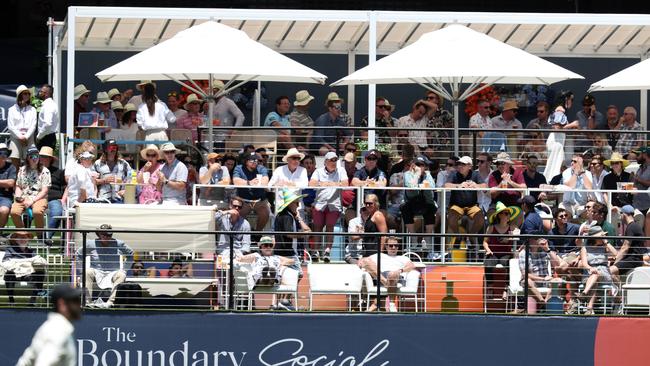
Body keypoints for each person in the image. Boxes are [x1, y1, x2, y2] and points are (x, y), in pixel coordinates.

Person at [16, 284, 82, 366]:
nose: (79, 304)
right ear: (62, 304)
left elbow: (26, 361)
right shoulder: (59, 331)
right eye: (75, 301)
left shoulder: (48, 327)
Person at [77, 224, 134, 308]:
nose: (106, 236)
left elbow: (130, 253)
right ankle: (87, 302)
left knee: (122, 275)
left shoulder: (119, 243)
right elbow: (79, 254)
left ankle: (110, 302)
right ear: (99, 234)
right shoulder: (90, 244)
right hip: (96, 271)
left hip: (113, 272)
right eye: (103, 234)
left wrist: (124, 269)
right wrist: (81, 270)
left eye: (109, 234)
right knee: (87, 272)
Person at [358, 236, 415, 312]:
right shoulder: (379, 255)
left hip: (396, 277)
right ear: (386, 246)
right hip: (380, 276)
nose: (393, 248)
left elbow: (411, 266)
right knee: (367, 261)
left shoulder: (403, 258)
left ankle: (390, 304)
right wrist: (365, 265)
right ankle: (385, 282)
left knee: (392, 274)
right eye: (391, 245)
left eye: (396, 246)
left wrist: (400, 271)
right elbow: (362, 261)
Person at [309, 151, 348, 262]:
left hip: (334, 204)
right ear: (325, 162)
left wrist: (325, 184)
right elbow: (311, 184)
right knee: (317, 227)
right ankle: (316, 251)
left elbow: (345, 184)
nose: (334, 162)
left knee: (330, 227)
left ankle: (327, 251)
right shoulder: (318, 171)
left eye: (335, 160)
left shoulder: (341, 170)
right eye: (331, 160)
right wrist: (334, 184)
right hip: (319, 203)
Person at [445, 155, 486, 249]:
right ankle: (458, 236)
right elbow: (446, 185)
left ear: (470, 166)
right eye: (459, 164)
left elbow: (484, 185)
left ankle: (470, 235)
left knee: (480, 219)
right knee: (451, 217)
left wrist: (476, 185)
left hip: (472, 206)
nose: (460, 166)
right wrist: (459, 185)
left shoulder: (475, 174)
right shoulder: (454, 173)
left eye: (463, 164)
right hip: (457, 205)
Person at [483, 202, 521, 296]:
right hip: (493, 253)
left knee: (509, 264)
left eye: (509, 213)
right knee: (488, 263)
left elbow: (518, 236)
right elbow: (485, 242)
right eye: (506, 213)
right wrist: (488, 250)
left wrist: (508, 238)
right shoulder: (491, 228)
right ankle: (490, 287)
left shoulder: (512, 227)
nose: (509, 216)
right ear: (500, 215)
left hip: (506, 253)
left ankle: (506, 289)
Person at [10, 145, 50, 230]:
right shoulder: (22, 170)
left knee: (37, 212)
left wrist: (32, 201)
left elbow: (45, 190)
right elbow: (18, 186)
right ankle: (23, 235)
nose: (34, 158)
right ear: (28, 158)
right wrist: (18, 197)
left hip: (39, 198)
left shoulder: (45, 171)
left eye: (36, 156)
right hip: (23, 197)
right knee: (14, 212)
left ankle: (40, 237)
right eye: (32, 156)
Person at [579, 225, 617, 315]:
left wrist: (606, 242)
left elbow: (616, 254)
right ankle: (589, 308)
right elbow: (584, 263)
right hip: (590, 272)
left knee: (596, 275)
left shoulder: (605, 246)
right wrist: (590, 268)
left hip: (604, 272)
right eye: (601, 236)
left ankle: (584, 293)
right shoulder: (585, 248)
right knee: (595, 277)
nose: (603, 238)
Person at [2, 232, 46, 305]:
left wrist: (18, 261)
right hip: (15, 274)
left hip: (27, 274)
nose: (23, 239)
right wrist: (28, 261)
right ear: (16, 240)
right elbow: (6, 262)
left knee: (40, 273)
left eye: (25, 237)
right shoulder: (10, 249)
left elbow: (37, 260)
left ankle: (32, 301)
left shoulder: (32, 251)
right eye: (20, 238)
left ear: (28, 239)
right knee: (9, 274)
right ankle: (11, 300)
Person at [518, 234, 562, 305]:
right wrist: (543, 279)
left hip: (546, 280)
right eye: (533, 239)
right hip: (532, 281)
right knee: (528, 281)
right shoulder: (523, 253)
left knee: (559, 281)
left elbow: (557, 264)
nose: (534, 241)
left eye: (537, 239)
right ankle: (541, 300)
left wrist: (547, 249)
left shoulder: (544, 251)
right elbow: (525, 274)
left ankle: (545, 302)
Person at [233, 152, 271, 232]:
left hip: (260, 200)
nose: (255, 162)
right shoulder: (239, 168)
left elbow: (265, 181)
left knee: (265, 214)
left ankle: (257, 233)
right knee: (236, 215)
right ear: (246, 161)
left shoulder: (261, 168)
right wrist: (249, 183)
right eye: (252, 160)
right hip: (243, 201)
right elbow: (236, 181)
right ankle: (244, 234)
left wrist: (260, 182)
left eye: (256, 160)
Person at [274, 189, 311, 268]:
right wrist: (303, 235)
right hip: (286, 254)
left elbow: (308, 230)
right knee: (298, 274)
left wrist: (299, 218)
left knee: (297, 274)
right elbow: (289, 234)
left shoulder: (291, 215)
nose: (298, 205)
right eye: (297, 203)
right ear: (290, 204)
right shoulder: (286, 216)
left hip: (289, 253)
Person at [402, 155, 436, 236]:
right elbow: (410, 187)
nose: (420, 167)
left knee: (431, 207)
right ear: (413, 165)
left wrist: (419, 186)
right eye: (417, 164)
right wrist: (417, 174)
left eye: (422, 165)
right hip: (411, 202)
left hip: (426, 202)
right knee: (404, 208)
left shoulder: (428, 175)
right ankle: (413, 236)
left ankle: (428, 237)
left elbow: (432, 186)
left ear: (425, 166)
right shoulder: (407, 174)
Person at [610, 205, 646, 281]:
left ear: (624, 214)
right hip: (633, 259)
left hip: (633, 260)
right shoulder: (634, 226)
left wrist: (616, 263)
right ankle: (617, 290)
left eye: (620, 214)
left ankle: (617, 291)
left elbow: (625, 247)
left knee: (609, 271)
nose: (620, 216)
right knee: (611, 272)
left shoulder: (632, 227)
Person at [209, 81, 246, 151]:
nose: (213, 92)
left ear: (221, 91)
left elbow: (240, 116)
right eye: (213, 90)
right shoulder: (211, 103)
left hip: (224, 138)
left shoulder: (228, 102)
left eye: (216, 90)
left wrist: (235, 130)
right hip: (212, 138)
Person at [93, 139, 132, 203]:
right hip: (102, 199)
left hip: (119, 199)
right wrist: (104, 181)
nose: (113, 149)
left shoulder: (123, 163)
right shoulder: (98, 164)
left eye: (115, 147)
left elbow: (132, 177)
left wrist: (126, 190)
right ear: (105, 149)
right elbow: (91, 181)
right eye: (111, 147)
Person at [8, 85, 37, 166]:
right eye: (25, 93)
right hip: (15, 138)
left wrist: (26, 137)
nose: (27, 95)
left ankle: (28, 178)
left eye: (28, 94)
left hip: (29, 138)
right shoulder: (12, 109)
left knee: (31, 163)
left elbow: (33, 125)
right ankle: (15, 178)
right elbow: (11, 126)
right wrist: (20, 137)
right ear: (19, 95)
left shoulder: (33, 109)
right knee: (15, 161)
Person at [35, 84, 59, 150]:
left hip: (46, 138)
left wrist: (39, 137)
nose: (39, 93)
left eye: (41, 91)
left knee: (44, 159)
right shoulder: (51, 104)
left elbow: (47, 124)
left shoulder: (48, 105)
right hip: (48, 137)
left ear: (46, 94)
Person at [0, 143, 16, 230]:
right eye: (1, 153)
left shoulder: (11, 167)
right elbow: (8, 182)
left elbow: (10, 183)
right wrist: (4, 183)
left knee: (4, 210)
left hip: (5, 197)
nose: (3, 155)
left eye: (5, 154)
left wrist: (7, 183)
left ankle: (0, 231)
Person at [632, 147, 650, 213]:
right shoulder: (640, 168)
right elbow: (636, 185)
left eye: (637, 155)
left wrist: (638, 179)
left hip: (648, 206)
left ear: (644, 155)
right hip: (637, 206)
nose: (636, 157)